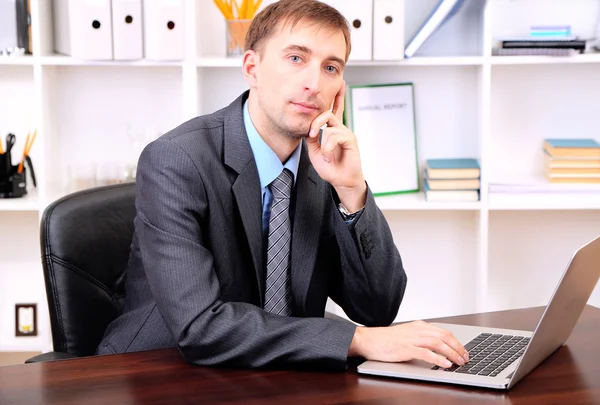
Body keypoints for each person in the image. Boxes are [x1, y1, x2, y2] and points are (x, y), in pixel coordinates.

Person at [97, 0, 469, 371]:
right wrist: (356, 340)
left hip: (280, 372)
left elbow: (377, 310)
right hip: (160, 370)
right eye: (295, 58)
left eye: (330, 67)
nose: (313, 83)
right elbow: (200, 328)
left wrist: (353, 193)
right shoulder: (176, 161)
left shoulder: (326, 165)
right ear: (252, 68)